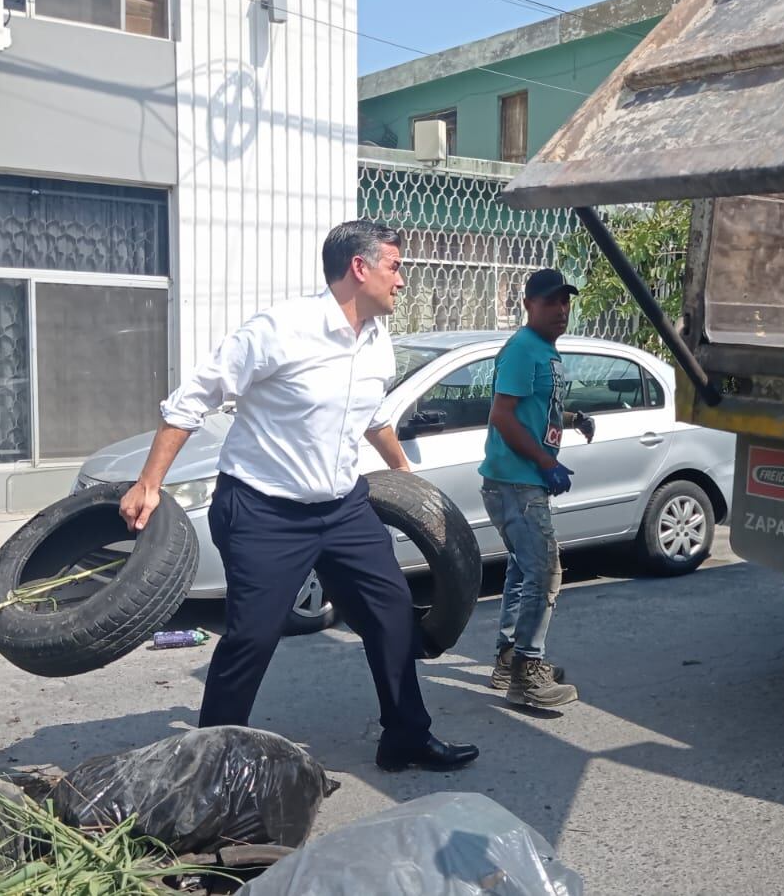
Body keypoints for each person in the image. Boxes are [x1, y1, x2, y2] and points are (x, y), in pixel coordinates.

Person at [119, 219, 478, 772]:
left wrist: (404, 475)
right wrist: (150, 483)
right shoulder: (280, 329)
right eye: (395, 266)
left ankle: (406, 735)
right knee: (253, 636)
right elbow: (191, 400)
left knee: (392, 617)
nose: (402, 280)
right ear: (360, 269)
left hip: (343, 509)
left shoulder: (377, 341)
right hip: (265, 510)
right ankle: (208, 764)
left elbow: (374, 415)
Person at [480, 268, 593, 709]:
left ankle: (510, 658)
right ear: (528, 305)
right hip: (515, 483)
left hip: (521, 481)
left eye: (565, 301)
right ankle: (527, 670)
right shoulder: (523, 350)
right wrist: (546, 462)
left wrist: (571, 420)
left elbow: (532, 411)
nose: (560, 310)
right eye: (550, 302)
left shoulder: (544, 351)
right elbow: (503, 416)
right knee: (546, 572)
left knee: (523, 571)